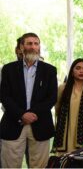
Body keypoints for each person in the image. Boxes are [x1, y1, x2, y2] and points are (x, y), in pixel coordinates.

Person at [0, 32, 57, 168]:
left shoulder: (49, 70)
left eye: (36, 43)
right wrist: (21, 114)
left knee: (39, 166)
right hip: (13, 123)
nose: (33, 47)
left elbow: (52, 98)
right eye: (29, 43)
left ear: (39, 47)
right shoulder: (8, 69)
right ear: (21, 47)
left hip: (40, 123)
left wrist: (31, 114)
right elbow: (4, 96)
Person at [53, 58, 83, 155]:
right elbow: (57, 109)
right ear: (72, 72)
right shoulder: (63, 88)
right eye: (78, 68)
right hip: (66, 130)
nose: (81, 71)